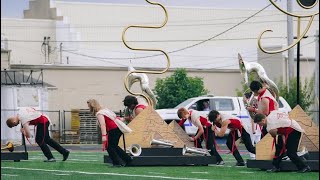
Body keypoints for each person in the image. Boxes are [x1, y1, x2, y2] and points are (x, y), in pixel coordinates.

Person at [87, 99, 133, 167]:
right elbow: (115, 117)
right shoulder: (105, 110)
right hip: (117, 129)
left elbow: (103, 124)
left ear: (92, 106)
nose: (88, 107)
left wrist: (104, 135)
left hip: (113, 129)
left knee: (109, 147)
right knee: (113, 146)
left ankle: (118, 162)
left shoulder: (99, 113)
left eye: (89, 106)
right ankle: (127, 159)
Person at [243, 92, 261, 159]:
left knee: (253, 141)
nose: (243, 98)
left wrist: (253, 129)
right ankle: (258, 154)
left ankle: (253, 156)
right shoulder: (250, 105)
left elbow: (252, 118)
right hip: (256, 126)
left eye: (244, 97)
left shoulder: (250, 106)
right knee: (257, 141)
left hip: (253, 126)